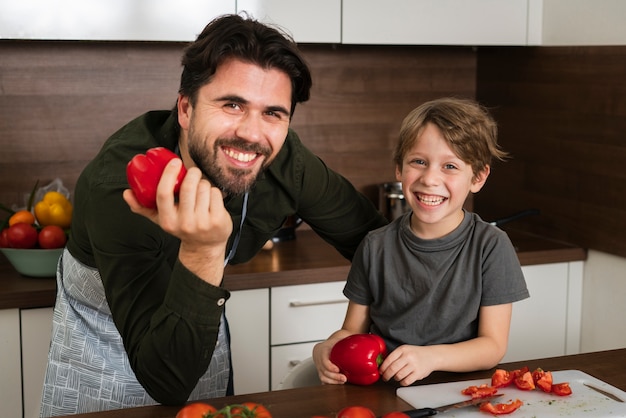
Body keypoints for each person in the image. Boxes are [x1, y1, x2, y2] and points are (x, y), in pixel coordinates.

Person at [39, 14, 387, 417]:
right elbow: (166, 380)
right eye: (233, 104)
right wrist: (204, 250)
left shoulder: (285, 161)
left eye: (273, 113)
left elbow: (378, 247)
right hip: (100, 352)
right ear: (185, 108)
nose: (253, 134)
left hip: (195, 330)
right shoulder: (120, 187)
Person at [312, 97, 530, 387]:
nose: (429, 179)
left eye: (450, 166)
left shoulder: (491, 246)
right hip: (385, 390)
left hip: (459, 391)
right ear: (399, 169)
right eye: (418, 162)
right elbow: (351, 331)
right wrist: (325, 347)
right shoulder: (375, 246)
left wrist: (431, 358)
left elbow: (492, 346)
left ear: (477, 177)